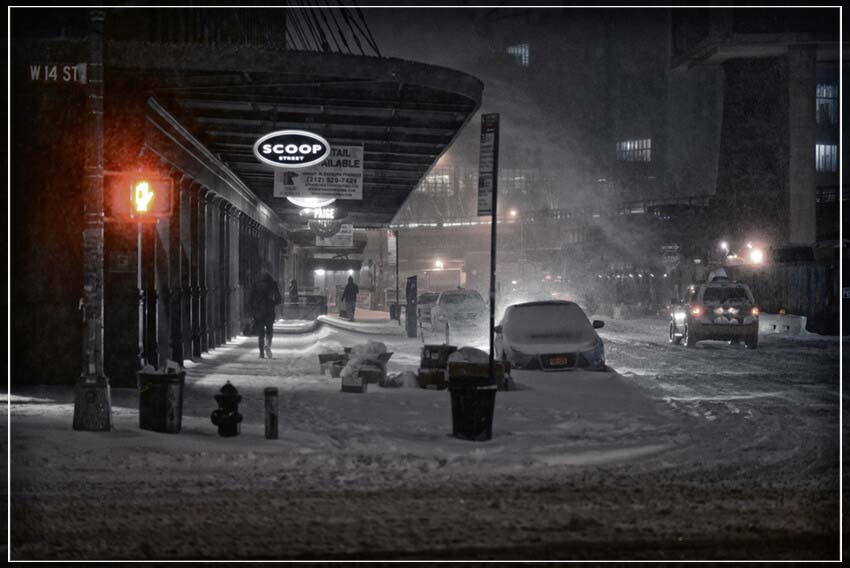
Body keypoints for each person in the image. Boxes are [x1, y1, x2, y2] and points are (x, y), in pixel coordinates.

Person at [250, 272, 282, 359]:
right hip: (269, 311)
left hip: (259, 312)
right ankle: (267, 345)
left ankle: (261, 353)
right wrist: (273, 303)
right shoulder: (273, 284)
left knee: (260, 333)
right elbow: (279, 298)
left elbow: (250, 298)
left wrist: (252, 310)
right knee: (269, 331)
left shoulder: (256, 284)